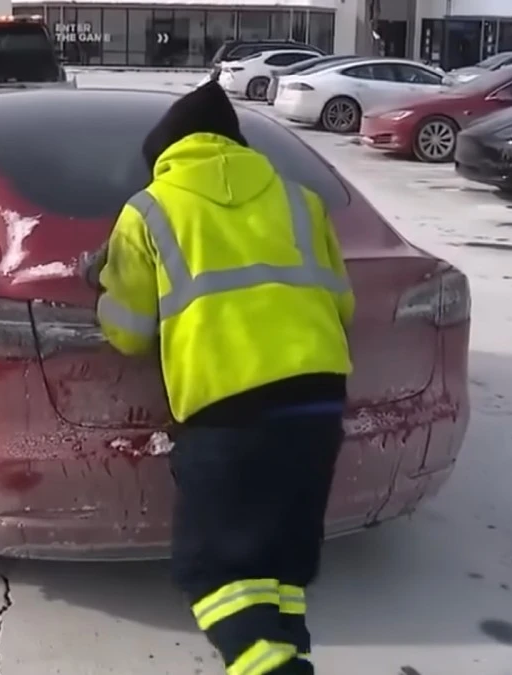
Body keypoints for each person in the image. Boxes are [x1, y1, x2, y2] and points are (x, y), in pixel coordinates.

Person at [79, 81, 354, 674]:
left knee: (215, 573)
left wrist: (103, 280)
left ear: (165, 156)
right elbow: (343, 306)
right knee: (280, 566)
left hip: (230, 412)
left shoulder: (149, 209)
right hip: (318, 402)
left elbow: (127, 332)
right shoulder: (299, 199)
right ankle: (285, 657)